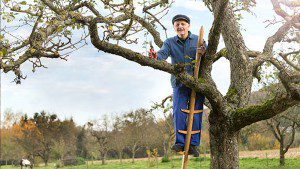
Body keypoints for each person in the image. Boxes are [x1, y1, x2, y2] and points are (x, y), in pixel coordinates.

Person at [156, 14, 206, 157]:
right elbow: (162, 54)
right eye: (177, 24)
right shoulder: (170, 42)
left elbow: (208, 56)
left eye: (182, 24)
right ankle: (180, 142)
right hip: (179, 82)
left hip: (197, 82)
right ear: (174, 27)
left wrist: (203, 52)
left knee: (196, 112)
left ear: (188, 26)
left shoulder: (198, 39)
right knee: (178, 110)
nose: (180, 26)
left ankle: (194, 145)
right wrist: (155, 56)